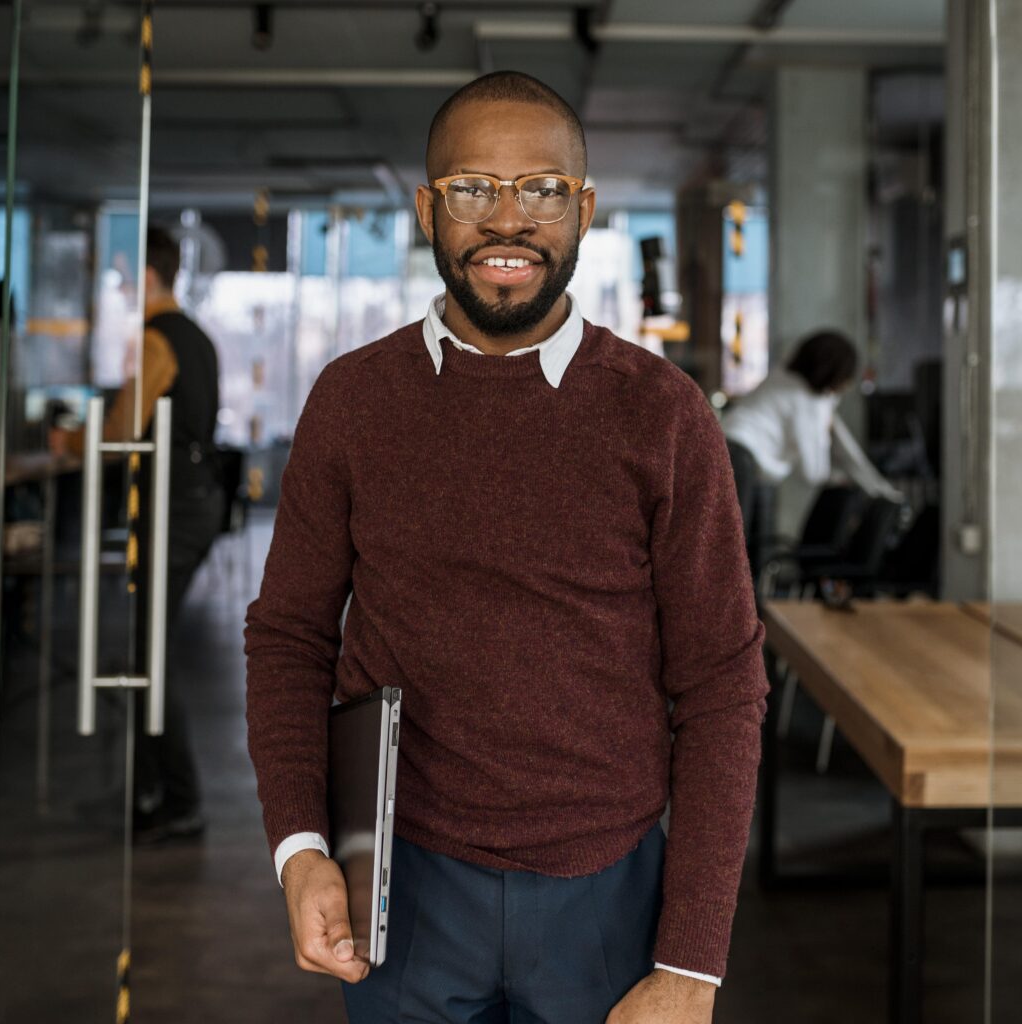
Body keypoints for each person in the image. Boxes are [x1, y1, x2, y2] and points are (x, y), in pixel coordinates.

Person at [245, 71, 768, 1024]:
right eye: (474, 189)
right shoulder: (354, 400)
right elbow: (288, 637)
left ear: (585, 209)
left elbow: (724, 682)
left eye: (541, 190)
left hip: (607, 893)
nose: (507, 221)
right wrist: (301, 845)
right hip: (401, 890)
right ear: (426, 208)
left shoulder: (662, 413)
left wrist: (692, 962)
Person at [52, 226, 223, 843]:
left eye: (124, 278)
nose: (121, 289)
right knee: (151, 656)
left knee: (152, 660)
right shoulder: (196, 337)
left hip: (173, 514)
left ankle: (178, 800)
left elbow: (123, 423)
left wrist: (68, 441)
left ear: (146, 277)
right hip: (193, 506)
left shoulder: (159, 339)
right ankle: (153, 792)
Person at [722, 330, 903, 560]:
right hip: (740, 459)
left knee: (744, 545)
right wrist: (841, 475)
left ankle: (749, 594)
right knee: (735, 549)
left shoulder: (783, 377)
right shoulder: (808, 402)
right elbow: (814, 472)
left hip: (728, 447)